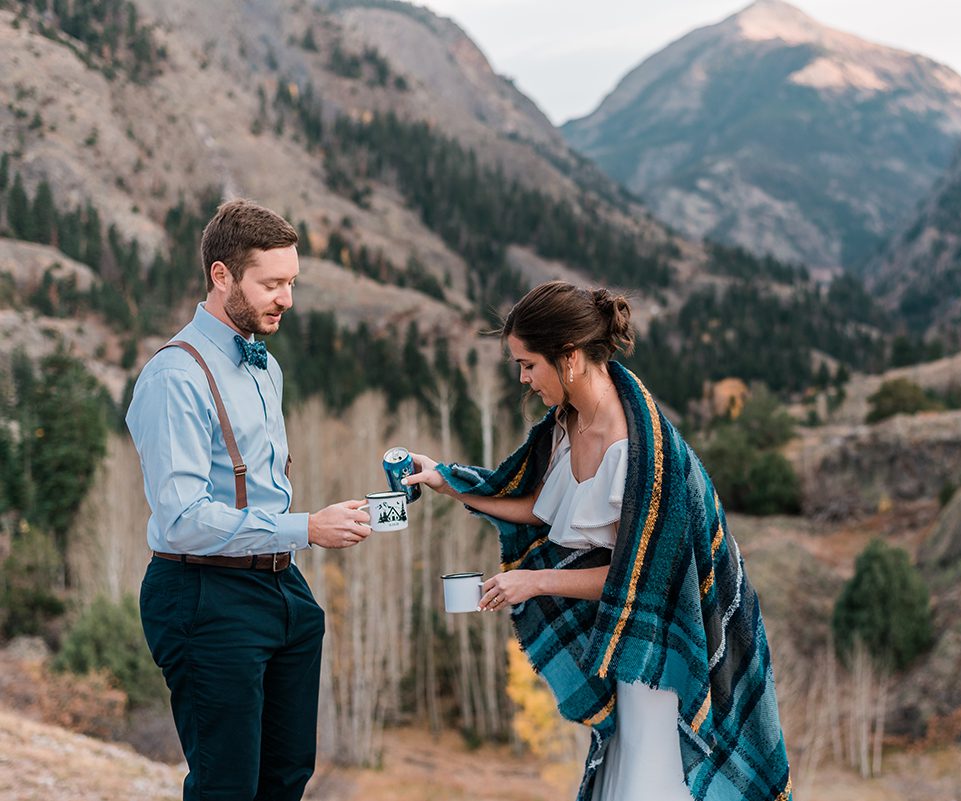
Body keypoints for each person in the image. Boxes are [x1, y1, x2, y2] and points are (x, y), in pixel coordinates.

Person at [406, 280, 792, 801]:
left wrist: (534, 580)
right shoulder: (567, 421)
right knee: (621, 773)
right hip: (621, 643)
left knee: (652, 783)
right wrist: (444, 479)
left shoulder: (639, 452)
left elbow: (647, 581)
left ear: (568, 358)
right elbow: (536, 502)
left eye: (528, 364)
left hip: (665, 650)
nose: (522, 378)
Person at [126, 199, 371, 801]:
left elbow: (256, 488)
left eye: (291, 283)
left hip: (281, 590)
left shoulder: (267, 366)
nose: (286, 298)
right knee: (226, 787)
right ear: (222, 275)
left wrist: (312, 529)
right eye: (271, 284)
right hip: (204, 594)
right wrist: (305, 528)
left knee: (286, 779)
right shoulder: (174, 376)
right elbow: (181, 520)